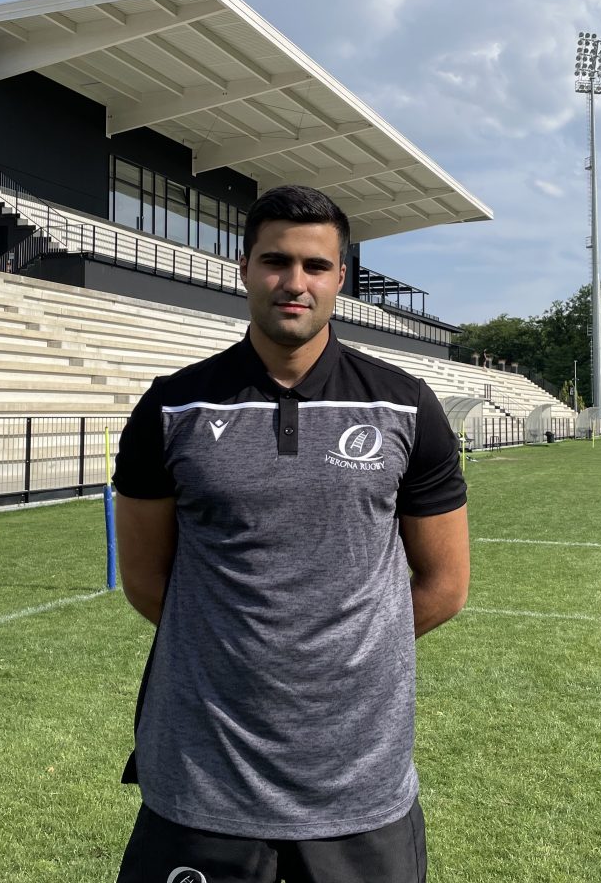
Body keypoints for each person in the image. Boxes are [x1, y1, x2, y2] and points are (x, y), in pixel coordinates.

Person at [111, 185, 471, 883]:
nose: (294, 282)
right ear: (245, 268)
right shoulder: (172, 406)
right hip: (204, 773)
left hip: (358, 779)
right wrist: (240, 650)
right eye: (276, 261)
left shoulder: (405, 406)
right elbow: (148, 582)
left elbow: (445, 585)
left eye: (315, 265)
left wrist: (344, 655)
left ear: (340, 279)